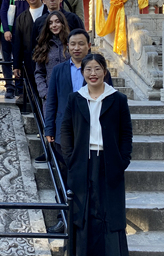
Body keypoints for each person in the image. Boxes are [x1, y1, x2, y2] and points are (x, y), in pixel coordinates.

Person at [60, 53, 132, 256]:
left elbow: (126, 133)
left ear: (105, 72)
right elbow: (66, 130)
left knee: (110, 210)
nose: (93, 73)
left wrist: (123, 160)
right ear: (83, 73)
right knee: (83, 210)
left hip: (110, 162)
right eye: (88, 69)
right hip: (82, 162)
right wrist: (70, 158)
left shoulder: (118, 99)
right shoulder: (75, 99)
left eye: (97, 69)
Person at [43, 29, 113, 234]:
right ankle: (64, 219)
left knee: (91, 178)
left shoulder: (98, 71)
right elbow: (52, 101)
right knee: (64, 177)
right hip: (63, 132)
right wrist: (49, 128)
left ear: (89, 46)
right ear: (67, 46)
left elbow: (109, 102)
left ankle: (89, 220)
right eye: (72, 44)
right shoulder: (59, 70)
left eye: (81, 44)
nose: (76, 48)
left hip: (91, 132)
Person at [12, 0, 45, 104]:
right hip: (29, 60)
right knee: (33, 91)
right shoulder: (21, 18)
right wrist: (16, 65)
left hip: (48, 59)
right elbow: (17, 43)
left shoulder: (49, 14)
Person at [0, 0, 30, 98]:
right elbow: (3, 12)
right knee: (8, 60)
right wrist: (6, 30)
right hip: (12, 32)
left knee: (23, 60)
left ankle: (22, 88)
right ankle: (10, 86)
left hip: (27, 32)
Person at [33, 10, 70, 101]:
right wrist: (44, 93)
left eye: (57, 22)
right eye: (51, 23)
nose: (54, 25)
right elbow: (39, 73)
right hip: (51, 96)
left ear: (63, 23)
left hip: (70, 95)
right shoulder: (44, 46)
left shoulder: (71, 44)